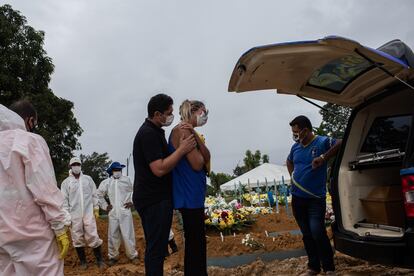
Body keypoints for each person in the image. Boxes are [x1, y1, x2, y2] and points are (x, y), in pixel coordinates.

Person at [0, 101, 71, 275]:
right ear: (30, 120)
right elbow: (44, 188)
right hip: (33, 234)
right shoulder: (29, 140)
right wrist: (59, 225)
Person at [133, 93, 196, 276]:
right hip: (153, 199)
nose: (171, 116)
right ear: (157, 114)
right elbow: (159, 169)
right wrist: (182, 150)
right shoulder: (148, 134)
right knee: (156, 249)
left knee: (158, 248)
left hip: (156, 198)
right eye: (168, 113)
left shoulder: (154, 131)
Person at [286, 115, 342, 276]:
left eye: (296, 132)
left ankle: (329, 268)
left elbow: (340, 142)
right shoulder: (295, 148)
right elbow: (289, 161)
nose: (294, 135)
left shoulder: (321, 142)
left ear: (305, 130)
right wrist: (293, 176)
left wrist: (324, 157)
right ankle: (313, 267)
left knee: (317, 231)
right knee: (307, 234)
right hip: (297, 199)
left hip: (315, 199)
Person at [168, 100, 210, 276]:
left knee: (197, 241)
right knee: (195, 243)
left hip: (193, 196)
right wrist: (192, 133)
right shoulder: (182, 130)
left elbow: (207, 156)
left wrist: (195, 133)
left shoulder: (190, 131)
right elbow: (198, 164)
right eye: (203, 111)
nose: (205, 115)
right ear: (194, 111)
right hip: (189, 196)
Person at [61, 157, 105, 269]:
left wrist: (96, 208)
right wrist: (67, 216)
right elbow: (64, 201)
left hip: (88, 212)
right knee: (77, 237)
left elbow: (94, 194)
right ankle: (83, 262)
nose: (76, 166)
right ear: (70, 166)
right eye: (74, 164)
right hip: (74, 215)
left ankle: (100, 261)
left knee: (93, 235)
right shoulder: (66, 183)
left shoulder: (88, 179)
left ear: (81, 165)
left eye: (78, 164)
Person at [97, 161, 138, 266]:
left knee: (128, 234)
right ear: (112, 171)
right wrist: (105, 206)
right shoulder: (106, 182)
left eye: (119, 170)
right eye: (116, 170)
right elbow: (99, 195)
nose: (118, 172)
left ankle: (132, 256)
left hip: (125, 211)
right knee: (113, 235)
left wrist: (132, 201)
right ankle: (113, 257)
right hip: (113, 212)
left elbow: (136, 190)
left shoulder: (127, 180)